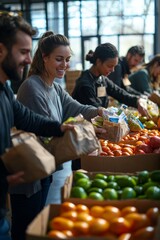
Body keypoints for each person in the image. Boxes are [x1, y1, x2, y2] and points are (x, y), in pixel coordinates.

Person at [15, 31, 105, 240]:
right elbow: (47, 130)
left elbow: (74, 107)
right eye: (58, 59)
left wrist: (99, 112)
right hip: (28, 171)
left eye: (67, 60)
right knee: (26, 228)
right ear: (44, 57)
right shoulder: (32, 87)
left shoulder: (54, 87)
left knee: (38, 221)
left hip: (44, 167)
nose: (64, 65)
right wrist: (87, 132)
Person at [0, 13, 75, 240]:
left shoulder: (4, 91)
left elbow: (28, 118)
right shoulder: (29, 87)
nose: (28, 59)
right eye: (23, 52)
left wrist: (59, 128)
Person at [72, 43, 148, 113]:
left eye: (114, 66)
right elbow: (95, 111)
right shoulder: (85, 85)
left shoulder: (102, 79)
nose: (113, 70)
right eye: (109, 66)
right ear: (98, 62)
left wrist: (138, 100)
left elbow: (120, 93)